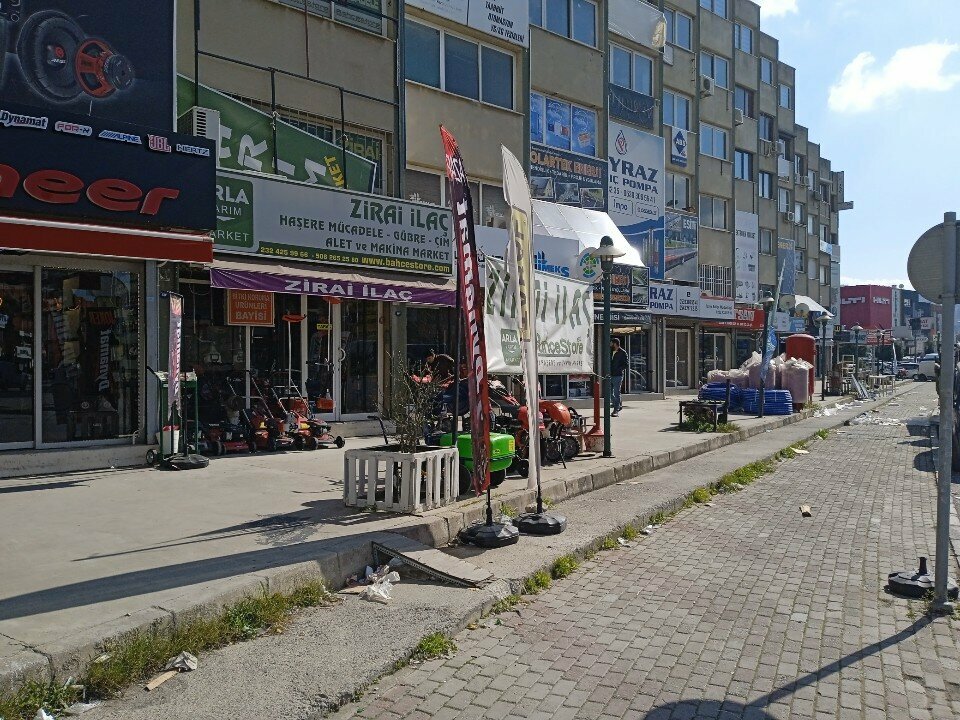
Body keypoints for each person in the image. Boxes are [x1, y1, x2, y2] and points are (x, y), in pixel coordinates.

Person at [610, 338, 628, 416]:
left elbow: (626, 364)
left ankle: (616, 409)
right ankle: (617, 405)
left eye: (611, 343)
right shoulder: (610, 351)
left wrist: (618, 369)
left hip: (618, 375)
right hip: (610, 375)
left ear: (615, 344)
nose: (610, 344)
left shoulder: (622, 352)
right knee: (609, 393)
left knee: (617, 392)